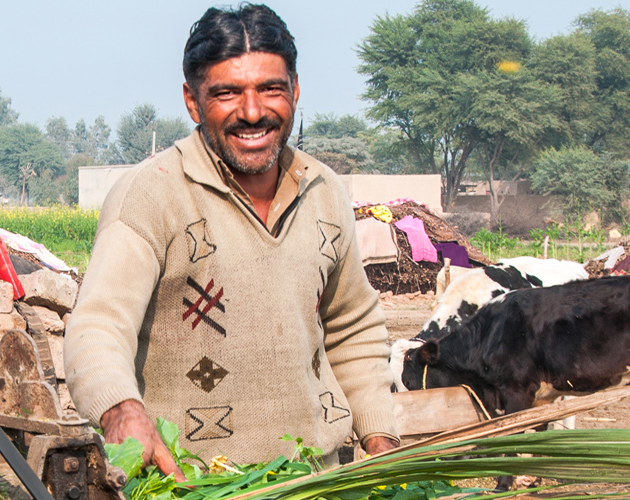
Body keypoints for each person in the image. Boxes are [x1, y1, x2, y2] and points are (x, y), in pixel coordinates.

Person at [64, 3, 398, 480]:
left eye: (271, 89)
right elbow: (98, 324)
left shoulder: (324, 192)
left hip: (317, 479)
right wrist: (120, 409)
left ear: (296, 90)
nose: (253, 112)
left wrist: (379, 436)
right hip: (191, 484)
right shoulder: (152, 195)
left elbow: (352, 326)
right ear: (193, 101)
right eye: (227, 93)